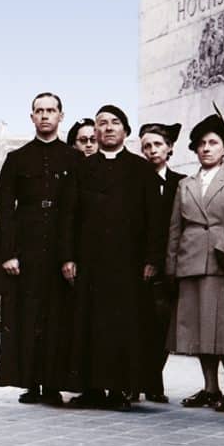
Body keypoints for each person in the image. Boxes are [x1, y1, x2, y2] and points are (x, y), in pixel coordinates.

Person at [62, 105, 162, 410]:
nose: (107, 128)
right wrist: (67, 258)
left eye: (114, 123)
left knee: (123, 326)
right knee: (88, 325)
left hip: (128, 264)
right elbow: (68, 216)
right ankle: (90, 389)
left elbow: (154, 219)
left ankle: (121, 390)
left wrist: (152, 259)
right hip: (89, 263)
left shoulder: (141, 170)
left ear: (126, 131)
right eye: (101, 123)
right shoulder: (81, 168)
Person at [0, 92, 81, 405]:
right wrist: (8, 253)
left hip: (60, 246)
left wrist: (72, 255)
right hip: (27, 248)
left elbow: (79, 210)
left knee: (58, 317)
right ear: (31, 117)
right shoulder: (17, 159)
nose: (45, 116)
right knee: (27, 317)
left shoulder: (74, 159)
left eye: (51, 110)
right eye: (39, 111)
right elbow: (3, 209)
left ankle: (54, 383)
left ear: (61, 115)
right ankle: (30, 382)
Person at [166, 112, 224, 412]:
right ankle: (210, 387)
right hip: (191, 262)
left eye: (213, 142)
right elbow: (175, 228)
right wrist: (171, 266)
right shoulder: (185, 184)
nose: (206, 148)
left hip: (223, 261)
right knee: (200, 328)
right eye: (201, 143)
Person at [138, 121, 186, 403]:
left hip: (169, 264)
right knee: (137, 323)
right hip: (139, 263)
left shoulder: (181, 182)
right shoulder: (135, 179)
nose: (152, 150)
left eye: (157, 144)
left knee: (161, 323)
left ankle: (154, 379)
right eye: (147, 146)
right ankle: (135, 381)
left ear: (169, 149)